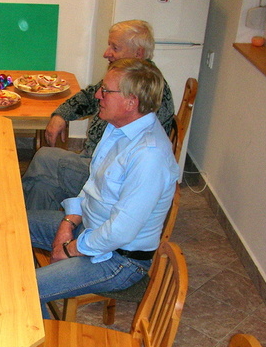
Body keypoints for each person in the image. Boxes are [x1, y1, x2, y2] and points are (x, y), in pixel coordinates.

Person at [29, 59, 179, 319]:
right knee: (8, 226)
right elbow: (92, 186)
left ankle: (45, 341)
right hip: (89, 229)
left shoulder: (149, 156)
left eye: (106, 91)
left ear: (131, 102)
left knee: (26, 290)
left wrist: (70, 249)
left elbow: (120, 232)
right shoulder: (117, 128)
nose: (98, 95)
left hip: (118, 260)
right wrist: (67, 223)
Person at [22, 20, 175, 211]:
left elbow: (132, 166)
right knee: (42, 186)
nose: (106, 53)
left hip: (109, 179)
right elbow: (89, 97)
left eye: (115, 48)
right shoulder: (126, 77)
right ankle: (32, 224)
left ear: (138, 53)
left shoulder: (146, 91)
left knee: (45, 158)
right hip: (94, 161)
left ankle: (18, 209)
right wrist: (61, 115)